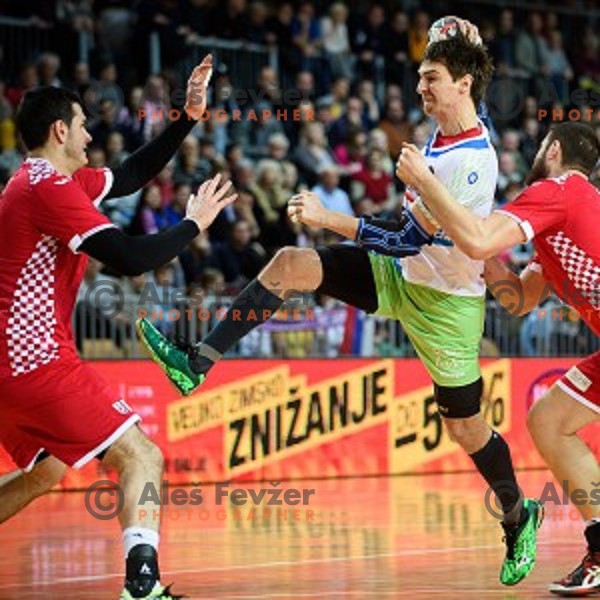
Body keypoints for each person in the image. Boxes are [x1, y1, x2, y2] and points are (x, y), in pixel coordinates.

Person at [138, 26, 543, 586]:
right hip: (399, 276)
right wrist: (457, 36)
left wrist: (334, 220)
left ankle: (519, 517)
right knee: (288, 263)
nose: (420, 87)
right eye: (421, 75)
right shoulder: (447, 131)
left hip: (447, 303)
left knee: (466, 429)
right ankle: (196, 361)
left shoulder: (470, 163)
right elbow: (407, 241)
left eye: (432, 78)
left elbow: (406, 237)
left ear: (463, 85)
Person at [0, 56, 237, 600]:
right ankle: (142, 584)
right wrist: (194, 224)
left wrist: (187, 118)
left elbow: (131, 174)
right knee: (143, 456)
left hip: (9, 368)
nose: (90, 135)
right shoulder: (46, 187)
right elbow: (129, 257)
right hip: (35, 362)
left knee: (45, 473)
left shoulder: (49, 180)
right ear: (61, 130)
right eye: (83, 126)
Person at [396, 121, 600, 597]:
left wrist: (427, 185)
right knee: (549, 421)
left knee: (550, 422)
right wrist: (472, 259)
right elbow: (518, 299)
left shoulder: (559, 190)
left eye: (541, 144)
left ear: (554, 151)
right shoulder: (559, 226)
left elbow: (482, 238)